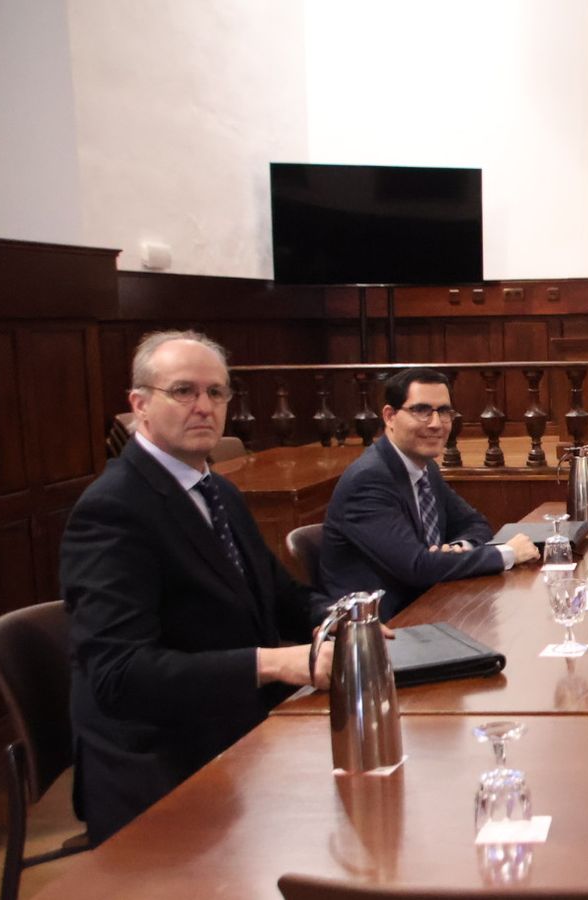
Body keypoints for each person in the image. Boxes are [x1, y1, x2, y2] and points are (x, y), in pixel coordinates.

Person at [61, 331, 333, 842]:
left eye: (216, 392)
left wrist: (345, 620)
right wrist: (275, 662)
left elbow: (281, 596)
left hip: (239, 729)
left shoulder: (218, 490)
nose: (204, 406)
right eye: (183, 391)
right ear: (139, 404)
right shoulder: (112, 509)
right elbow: (120, 674)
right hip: (162, 762)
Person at [320, 367, 538, 618]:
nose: (436, 424)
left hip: (430, 605)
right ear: (390, 416)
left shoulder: (425, 468)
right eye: (421, 411)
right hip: (381, 625)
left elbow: (475, 524)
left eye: (444, 412)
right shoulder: (368, 480)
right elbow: (417, 567)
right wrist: (505, 554)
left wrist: (457, 548)